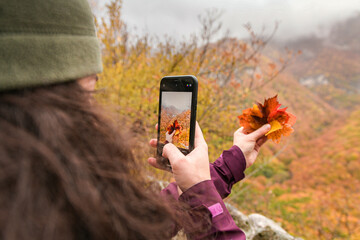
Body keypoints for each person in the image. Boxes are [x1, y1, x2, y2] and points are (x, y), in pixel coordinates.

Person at [0, 0, 270, 239]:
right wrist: (200, 190)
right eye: (89, 93)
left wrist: (228, 166)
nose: (94, 112)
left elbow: (139, 226)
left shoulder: (42, 204)